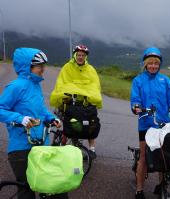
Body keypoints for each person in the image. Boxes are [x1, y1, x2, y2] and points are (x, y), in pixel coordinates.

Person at [0, 47, 64, 198]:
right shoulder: (15, 87)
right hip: (21, 148)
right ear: (27, 66)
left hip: (41, 145)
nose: (43, 69)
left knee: (49, 187)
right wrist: (20, 118)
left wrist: (51, 118)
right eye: (39, 66)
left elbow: (40, 110)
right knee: (26, 191)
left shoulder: (35, 86)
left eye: (43, 66)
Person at [130, 47, 170, 199]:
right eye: (150, 63)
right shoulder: (138, 80)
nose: (153, 66)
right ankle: (139, 189)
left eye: (156, 64)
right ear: (145, 64)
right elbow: (135, 100)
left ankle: (162, 184)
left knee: (164, 157)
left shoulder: (165, 80)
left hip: (164, 124)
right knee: (144, 156)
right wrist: (136, 107)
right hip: (146, 123)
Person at [50, 45, 102, 160]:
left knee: (91, 123)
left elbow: (95, 86)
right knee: (68, 124)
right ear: (75, 55)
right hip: (70, 102)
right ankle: (61, 148)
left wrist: (92, 97)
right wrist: (64, 95)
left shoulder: (91, 70)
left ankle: (92, 149)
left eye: (83, 55)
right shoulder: (67, 67)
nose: (80, 57)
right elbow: (62, 83)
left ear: (86, 57)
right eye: (78, 55)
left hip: (84, 103)